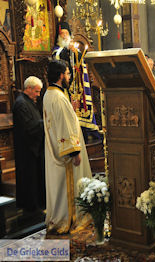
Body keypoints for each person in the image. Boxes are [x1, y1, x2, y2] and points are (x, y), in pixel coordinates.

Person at [44, 60, 92, 234]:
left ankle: (58, 217)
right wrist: (75, 152)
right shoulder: (58, 97)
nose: (70, 77)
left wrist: (71, 109)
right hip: (67, 153)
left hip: (55, 151)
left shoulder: (49, 94)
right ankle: (70, 219)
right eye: (68, 73)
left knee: (58, 188)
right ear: (61, 75)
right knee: (68, 187)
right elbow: (64, 126)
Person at [52, 21, 99, 142]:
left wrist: (74, 52)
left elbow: (80, 66)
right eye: (61, 33)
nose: (64, 36)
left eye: (66, 33)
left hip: (76, 87)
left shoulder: (75, 50)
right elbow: (58, 60)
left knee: (80, 112)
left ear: (69, 34)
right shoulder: (57, 51)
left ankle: (84, 134)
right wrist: (67, 51)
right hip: (64, 89)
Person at [13, 76, 45, 212]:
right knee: (29, 179)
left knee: (35, 178)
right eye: (36, 92)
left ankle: (37, 204)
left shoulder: (29, 102)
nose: (38, 95)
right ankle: (30, 207)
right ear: (29, 89)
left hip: (34, 148)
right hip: (26, 150)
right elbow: (29, 127)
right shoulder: (21, 104)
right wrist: (46, 122)